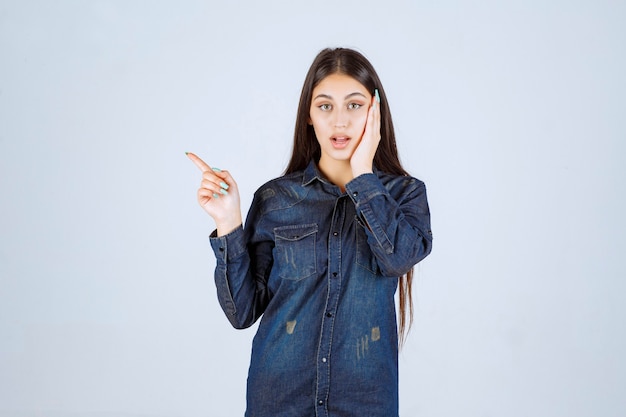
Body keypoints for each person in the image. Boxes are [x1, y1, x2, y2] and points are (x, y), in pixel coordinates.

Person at [187, 47, 433, 417]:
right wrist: (229, 223)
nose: (339, 122)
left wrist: (363, 175)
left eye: (354, 105)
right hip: (279, 400)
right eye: (325, 106)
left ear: (375, 113)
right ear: (309, 116)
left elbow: (399, 257)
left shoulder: (404, 195)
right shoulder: (276, 199)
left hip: (365, 403)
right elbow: (241, 313)